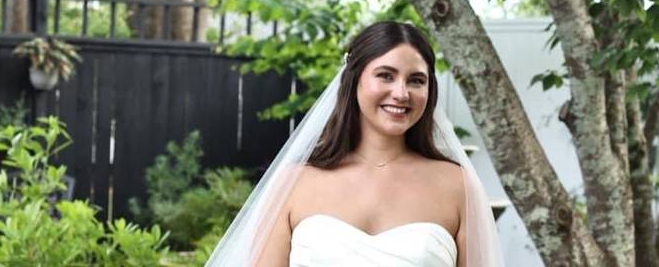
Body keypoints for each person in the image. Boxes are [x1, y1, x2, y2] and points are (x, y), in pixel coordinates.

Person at [206, 21, 504, 266]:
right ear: (354, 80)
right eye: (385, 76)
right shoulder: (293, 183)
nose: (401, 93)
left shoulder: (457, 185)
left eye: (416, 80)